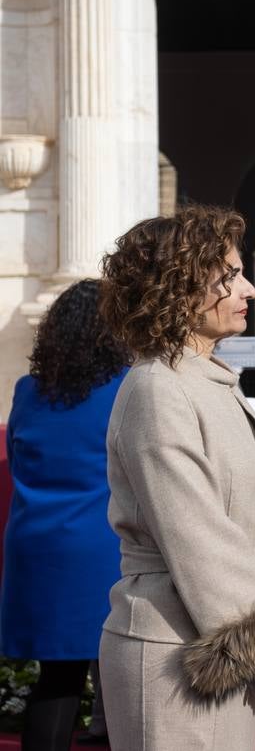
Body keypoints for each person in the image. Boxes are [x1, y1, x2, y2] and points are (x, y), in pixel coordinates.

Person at [98, 204, 255, 751]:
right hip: (172, 654)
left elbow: (252, 525)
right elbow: (196, 535)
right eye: (230, 276)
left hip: (214, 644)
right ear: (180, 286)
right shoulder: (158, 388)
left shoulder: (204, 380)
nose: (250, 289)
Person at [0, 279, 130, 751]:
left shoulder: (28, 390)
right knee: (125, 677)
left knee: (57, 679)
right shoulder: (126, 387)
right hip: (101, 545)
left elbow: (18, 457)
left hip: (36, 543)